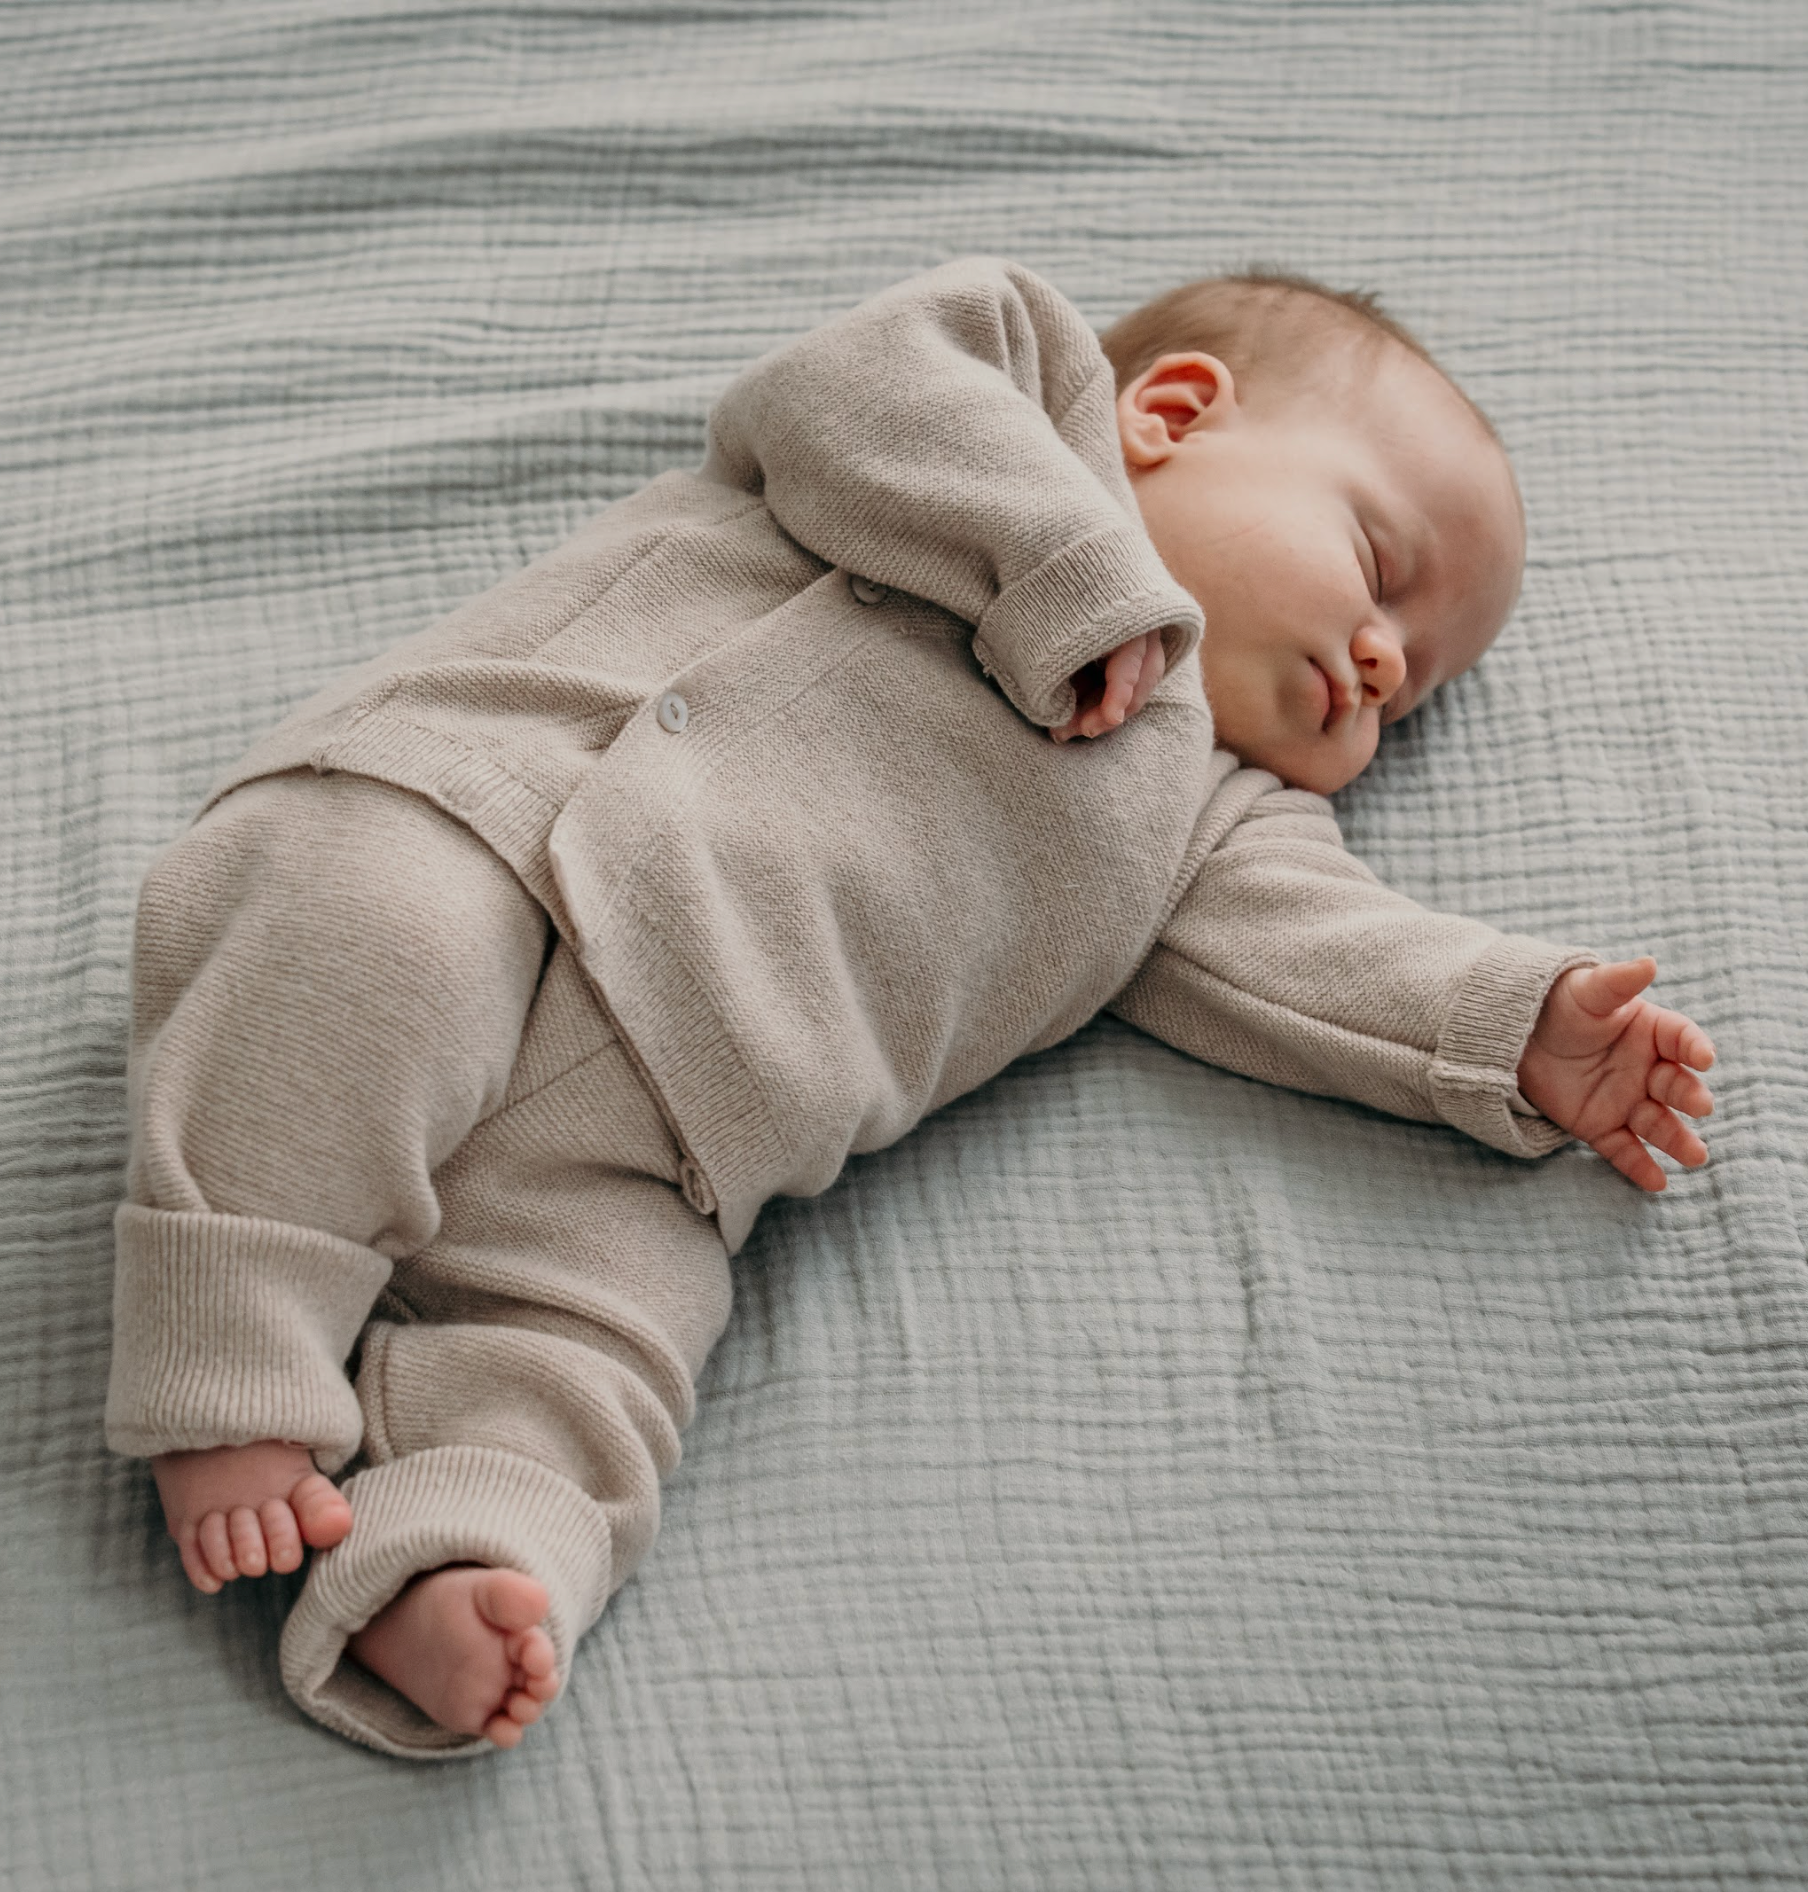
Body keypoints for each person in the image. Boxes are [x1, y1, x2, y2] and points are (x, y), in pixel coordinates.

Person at [105, 257, 1716, 1758]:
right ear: (1167, 418)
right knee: (356, 960)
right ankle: (234, 1361)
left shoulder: (1208, 820)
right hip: (494, 818)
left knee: (603, 1356)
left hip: (663, 1144)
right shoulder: (1013, 414)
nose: (1379, 660)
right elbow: (844, 384)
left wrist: (1513, 1025)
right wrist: (1074, 564)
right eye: (1380, 573)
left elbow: (1327, 953)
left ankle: (454, 1552)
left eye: (1416, 681)